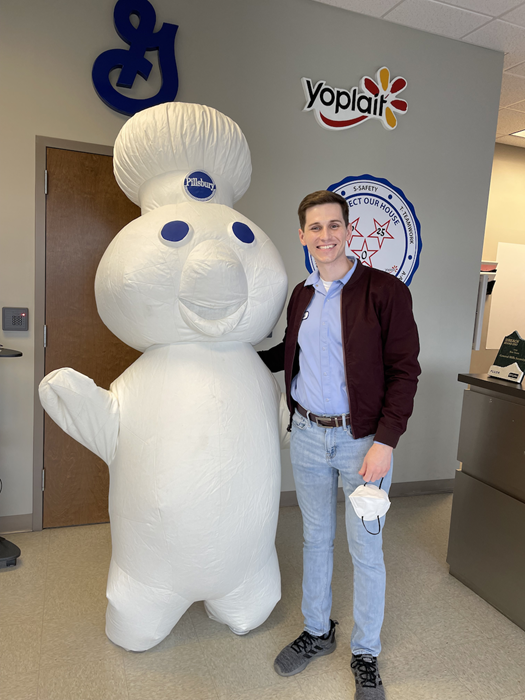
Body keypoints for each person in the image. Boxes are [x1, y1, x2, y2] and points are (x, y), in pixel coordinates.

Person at [259, 190, 420, 700]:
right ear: (302, 235)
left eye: (334, 225)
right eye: (315, 227)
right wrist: (230, 351)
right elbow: (290, 352)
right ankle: (317, 631)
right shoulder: (302, 295)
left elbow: (405, 372)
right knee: (315, 538)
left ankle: (366, 653)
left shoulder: (385, 292)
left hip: (363, 442)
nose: (325, 235)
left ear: (348, 231)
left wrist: (385, 442)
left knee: (365, 550)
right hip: (308, 436)